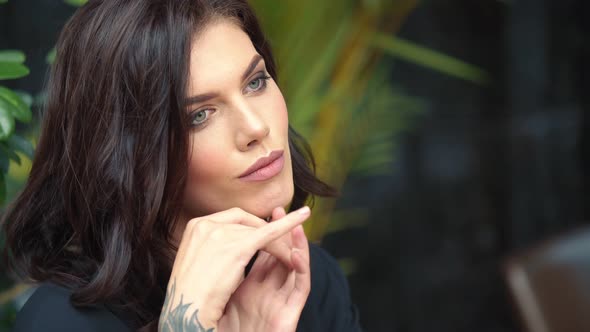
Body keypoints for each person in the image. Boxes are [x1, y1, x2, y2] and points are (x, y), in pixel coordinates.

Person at [1, 0, 362, 331]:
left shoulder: (311, 284)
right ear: (132, 154)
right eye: (200, 115)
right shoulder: (62, 322)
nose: (256, 127)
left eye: (255, 82)